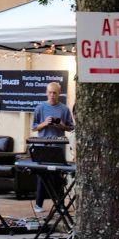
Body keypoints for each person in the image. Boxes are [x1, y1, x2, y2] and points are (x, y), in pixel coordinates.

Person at [29, 81, 75, 213]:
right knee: (42, 175)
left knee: (58, 176)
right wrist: (44, 123)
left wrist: (61, 126)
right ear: (46, 93)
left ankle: (60, 204)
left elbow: (71, 127)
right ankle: (38, 204)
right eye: (50, 92)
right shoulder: (39, 108)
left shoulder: (64, 109)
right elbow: (34, 127)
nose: (52, 95)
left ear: (59, 93)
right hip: (42, 146)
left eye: (55, 92)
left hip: (58, 147)